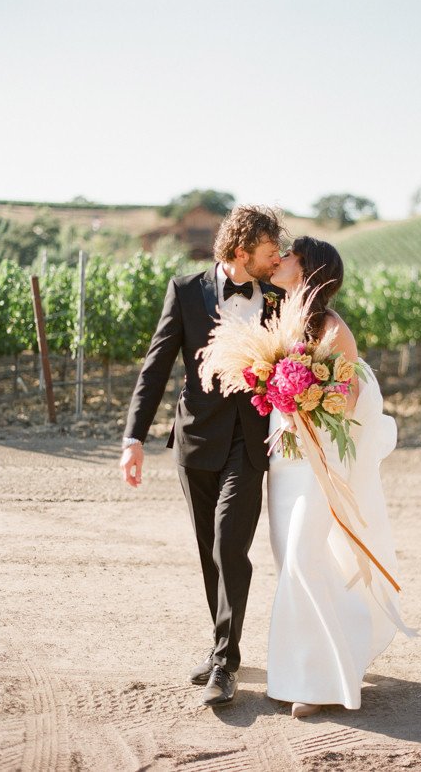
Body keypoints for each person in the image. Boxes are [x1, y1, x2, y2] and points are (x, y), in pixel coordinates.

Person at [120, 205, 285, 707]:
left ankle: (225, 663)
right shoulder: (186, 291)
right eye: (268, 253)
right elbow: (156, 366)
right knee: (207, 548)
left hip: (250, 442)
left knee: (230, 544)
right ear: (241, 253)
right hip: (195, 440)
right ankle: (222, 642)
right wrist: (133, 438)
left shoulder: (280, 299)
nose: (276, 261)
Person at [267, 236, 402, 718]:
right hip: (283, 460)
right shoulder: (278, 317)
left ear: (307, 268)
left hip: (320, 461)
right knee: (289, 560)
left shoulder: (330, 327)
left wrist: (297, 395)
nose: (277, 259)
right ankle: (315, 660)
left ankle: (322, 684)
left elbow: (345, 402)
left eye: (287, 255)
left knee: (304, 555)